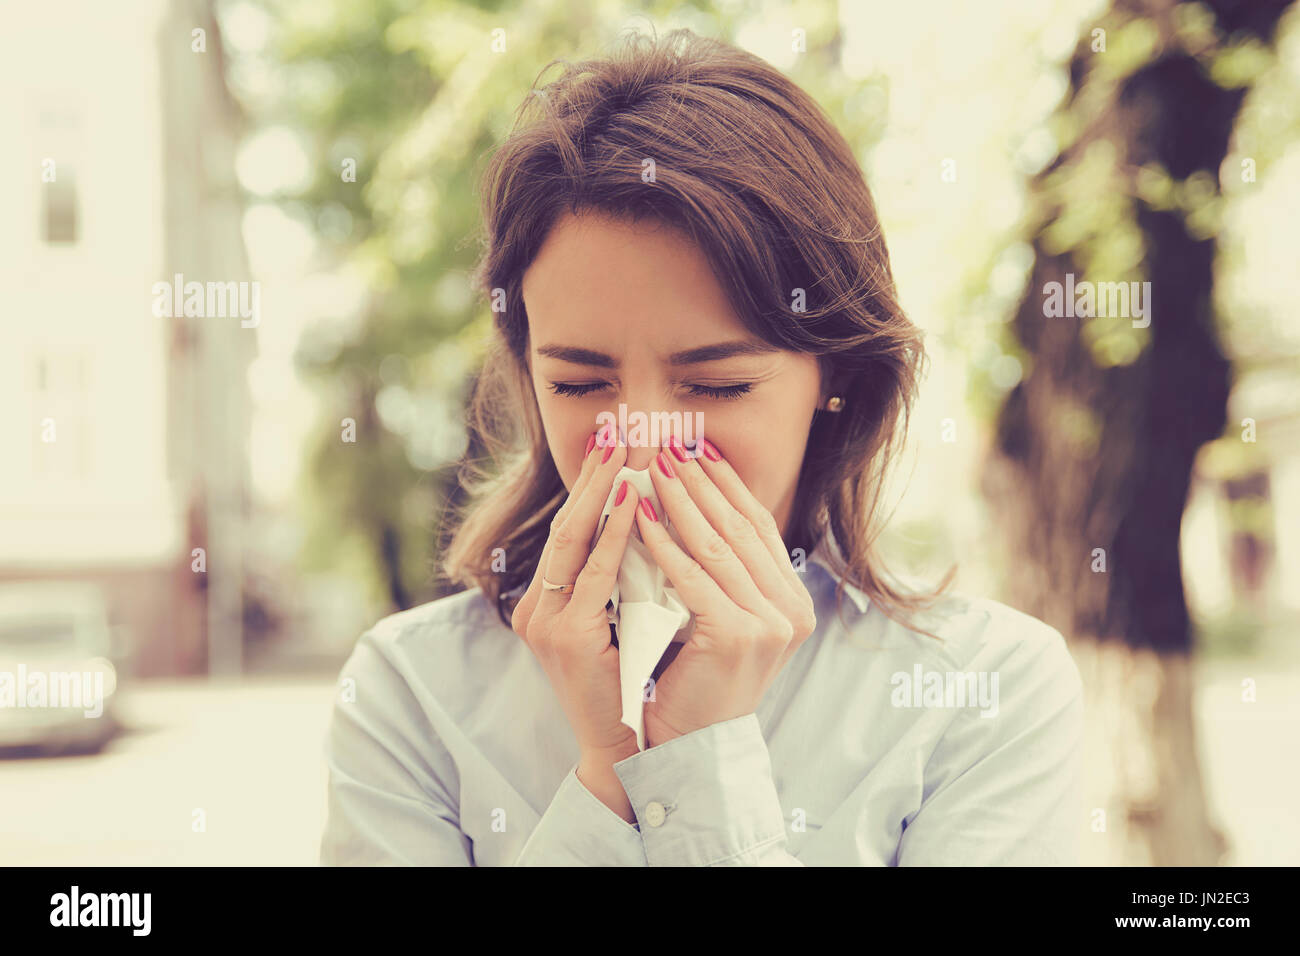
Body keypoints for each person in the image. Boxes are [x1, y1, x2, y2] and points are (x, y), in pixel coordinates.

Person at [319, 27, 1083, 866]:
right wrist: (611, 771)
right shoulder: (413, 690)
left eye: (716, 386)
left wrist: (702, 768)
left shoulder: (985, 689)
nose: (642, 445)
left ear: (839, 383)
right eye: (578, 384)